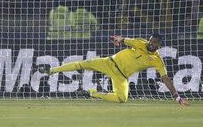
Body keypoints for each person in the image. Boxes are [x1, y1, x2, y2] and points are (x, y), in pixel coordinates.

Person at [41, 34, 189, 105]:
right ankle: (51, 70)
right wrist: (117, 39)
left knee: (121, 99)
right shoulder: (140, 43)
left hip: (121, 76)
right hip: (110, 63)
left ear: (159, 45)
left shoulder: (158, 61)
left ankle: (93, 93)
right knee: (82, 64)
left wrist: (177, 97)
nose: (150, 43)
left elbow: (165, 78)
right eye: (150, 40)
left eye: (154, 42)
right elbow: (123, 39)